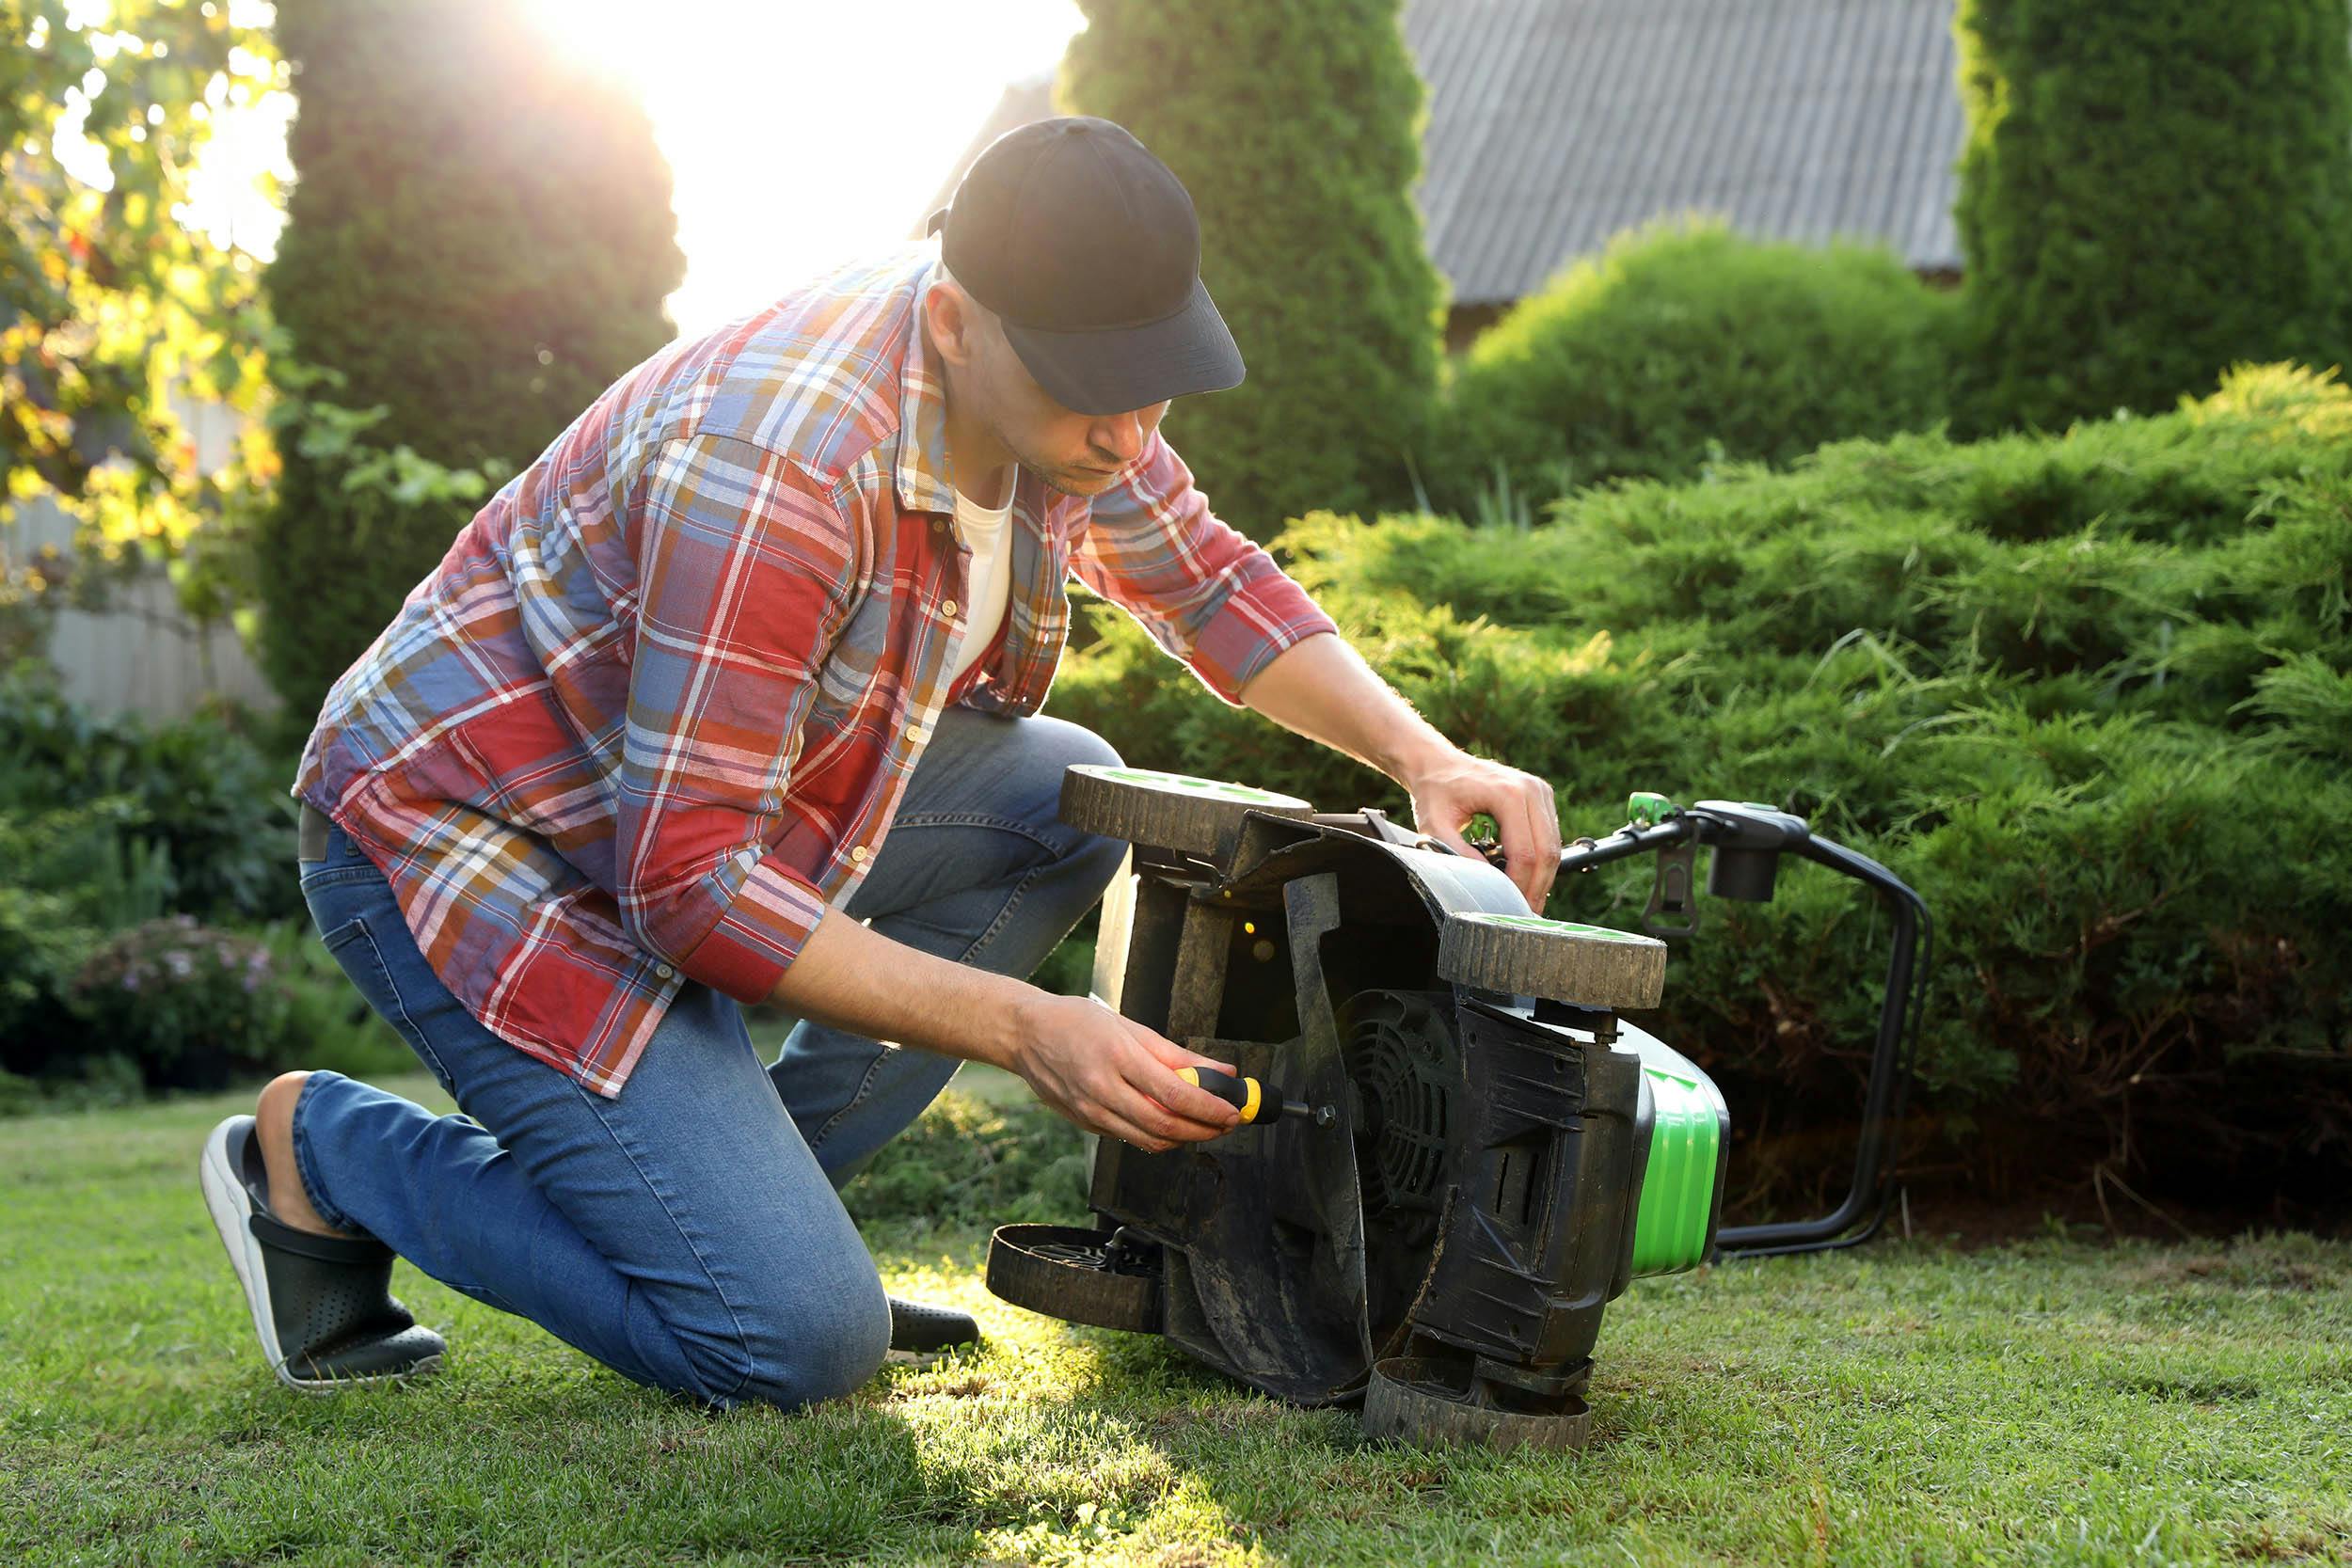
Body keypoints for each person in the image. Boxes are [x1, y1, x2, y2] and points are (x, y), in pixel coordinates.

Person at [198, 116, 1562, 1406]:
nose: (1133, 429)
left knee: (1058, 792)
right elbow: (691, 893)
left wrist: (1424, 755)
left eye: (1155, 376)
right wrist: (1029, 1027)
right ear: (958, 322)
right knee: (790, 1342)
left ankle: (755, 1218)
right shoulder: (780, 468)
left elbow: (1204, 583)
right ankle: (318, 1150)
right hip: (466, 827)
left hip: (669, 813)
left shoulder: (1064, 396)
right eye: (1096, 388)